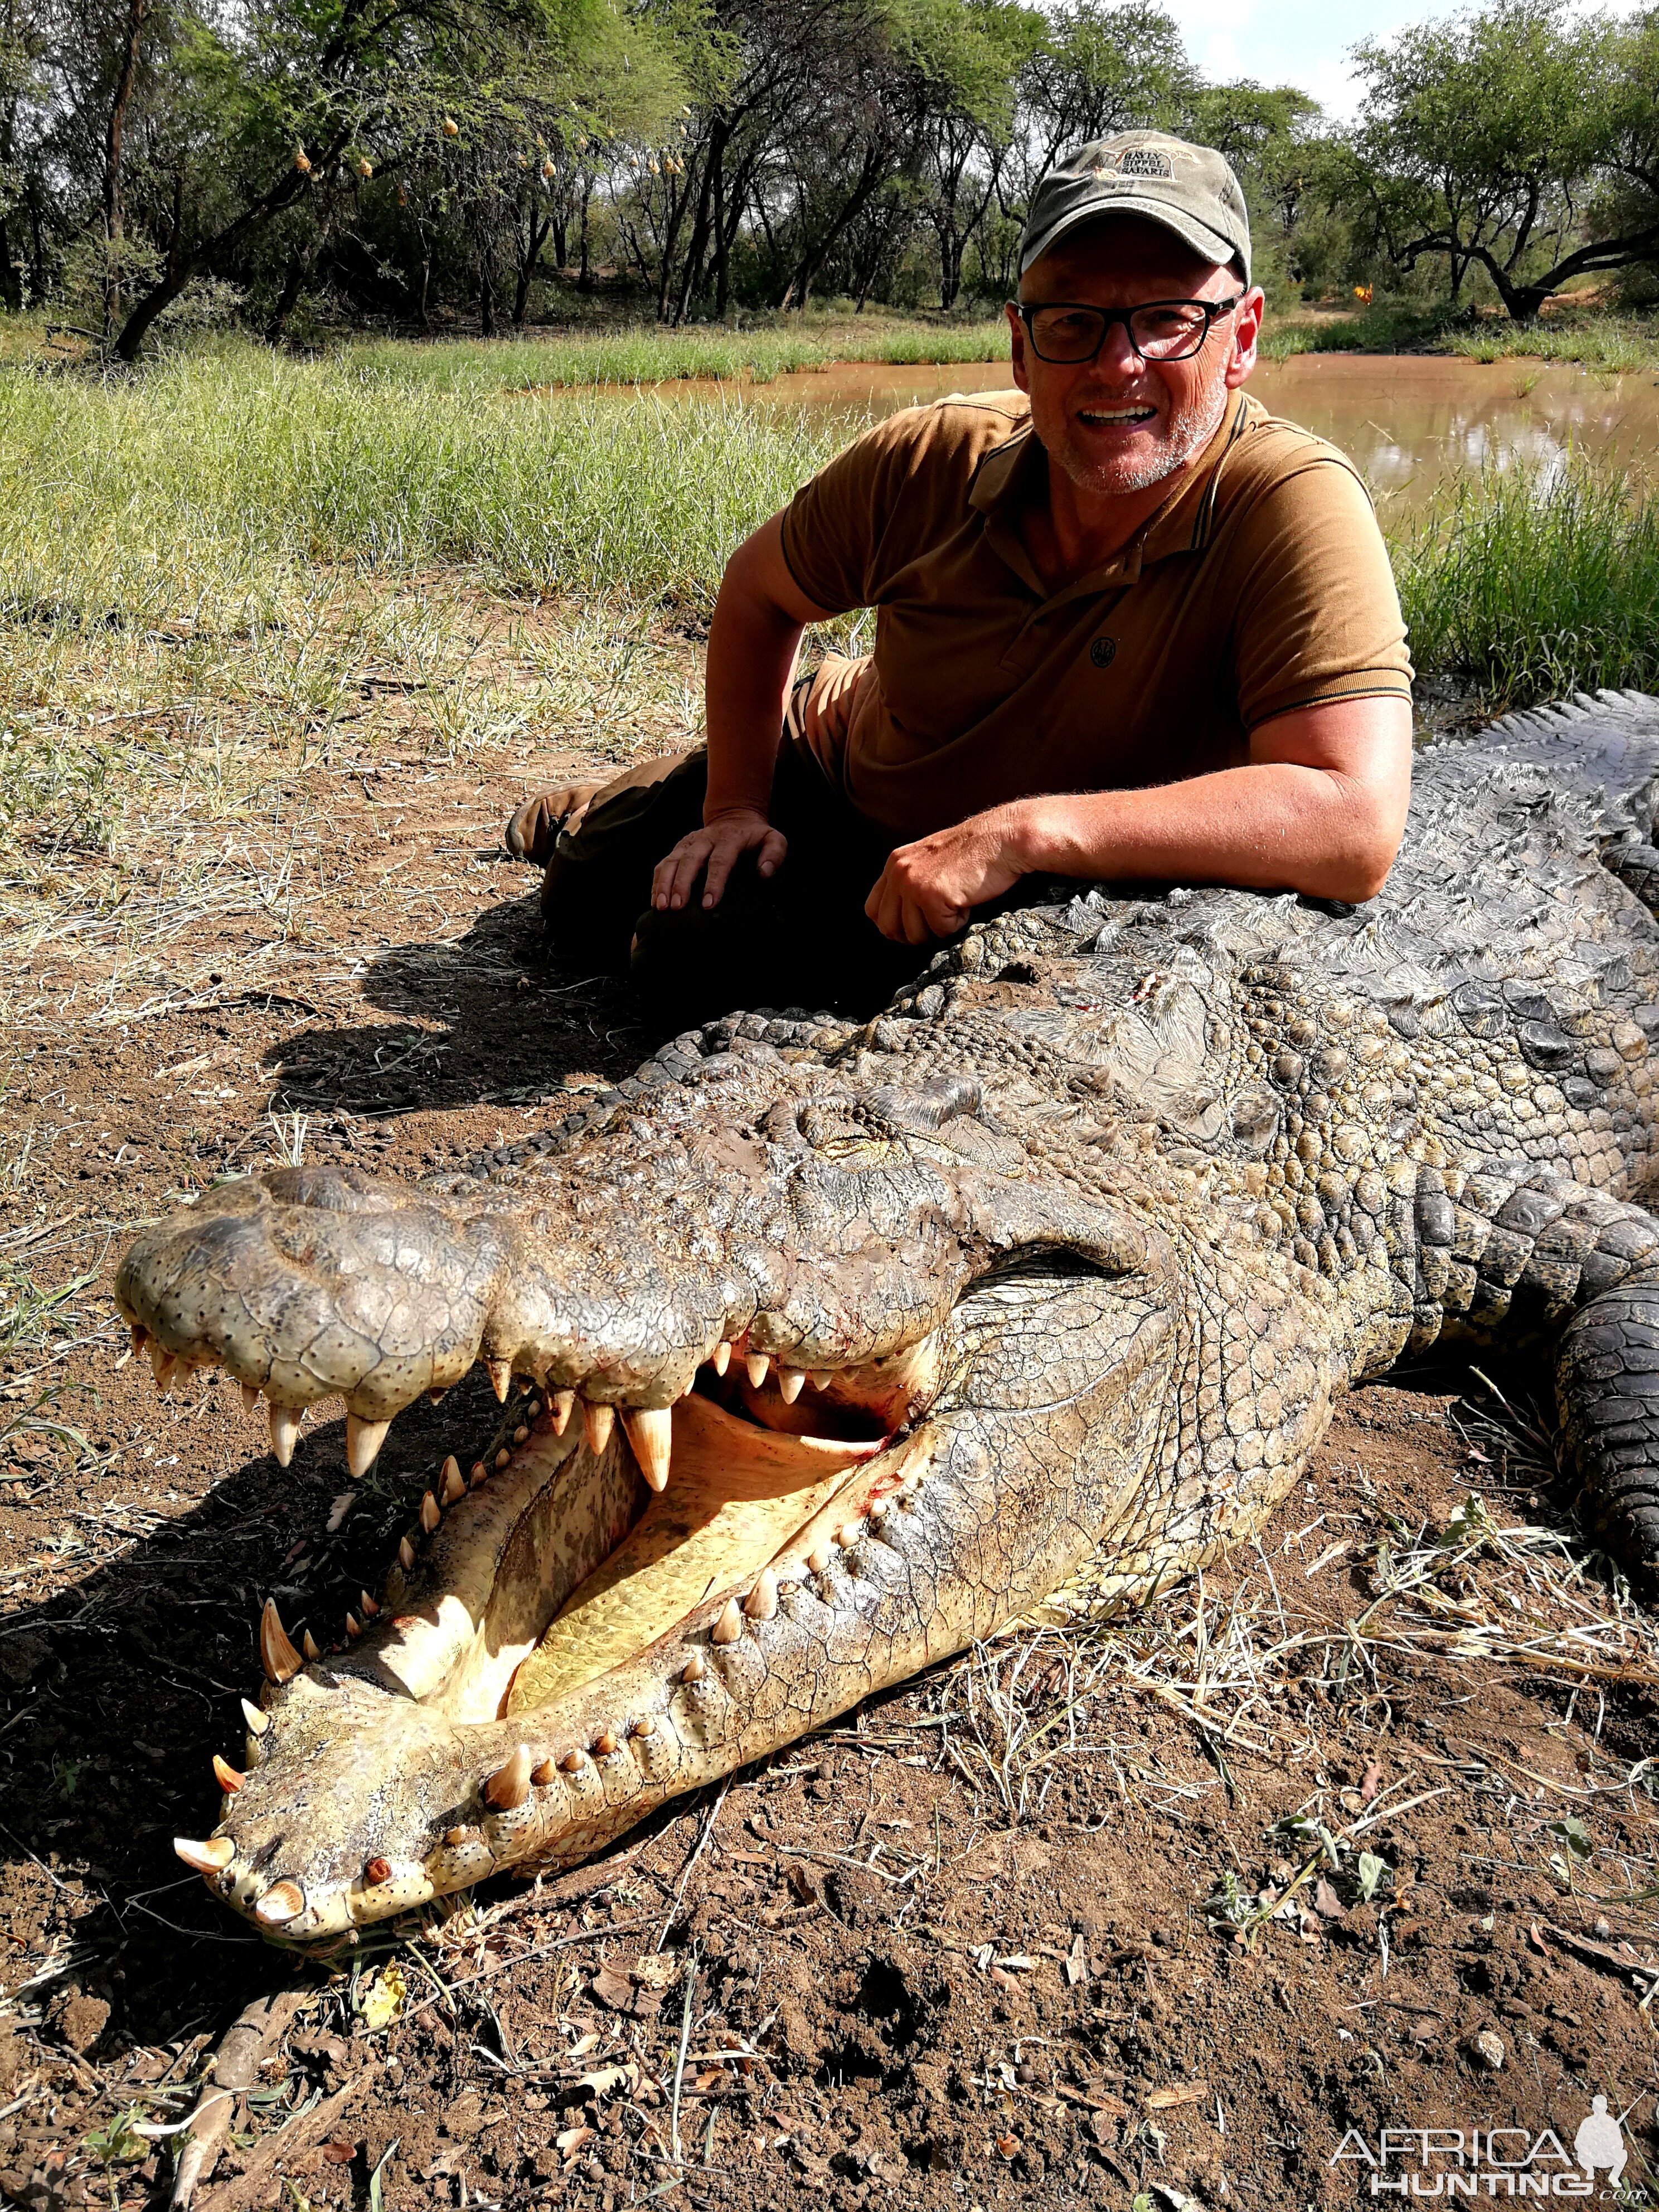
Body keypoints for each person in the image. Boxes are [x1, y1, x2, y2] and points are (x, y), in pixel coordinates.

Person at [507, 128, 1413, 1028]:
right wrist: (736, 807)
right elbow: (758, 592)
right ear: (1021, 349)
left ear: (1242, 335)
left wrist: (1026, 833)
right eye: (1072, 322)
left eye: (1168, 318)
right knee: (579, 903)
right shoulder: (933, 455)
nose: (1117, 362)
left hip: (1038, 870)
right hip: (842, 775)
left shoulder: (1293, 501)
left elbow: (1354, 822)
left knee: (692, 961)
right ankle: (607, 806)